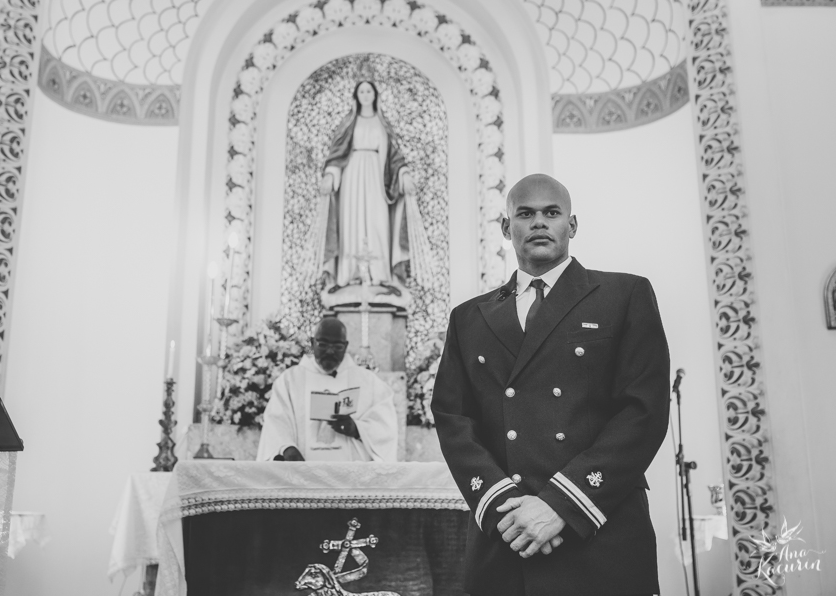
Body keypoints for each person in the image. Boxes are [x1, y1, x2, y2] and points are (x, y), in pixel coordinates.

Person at [432, 174, 671, 596]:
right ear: (508, 229)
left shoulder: (623, 294)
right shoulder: (468, 317)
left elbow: (643, 410)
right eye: (525, 214)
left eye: (551, 213)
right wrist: (502, 504)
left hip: (600, 527)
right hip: (508, 534)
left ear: (572, 226)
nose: (539, 222)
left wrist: (561, 504)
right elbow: (453, 417)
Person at [319, 80, 417, 293]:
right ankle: (349, 273)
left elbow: (394, 157)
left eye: (368, 91)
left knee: (377, 221)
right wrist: (330, 175)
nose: (365, 95)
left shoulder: (383, 124)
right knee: (350, 222)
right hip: (351, 176)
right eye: (361, 91)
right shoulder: (349, 123)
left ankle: (380, 274)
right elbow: (337, 153)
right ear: (356, 95)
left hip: (376, 178)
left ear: (375, 95)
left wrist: (404, 175)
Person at [256, 317, 398, 462]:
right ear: (312, 343)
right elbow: (276, 423)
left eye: (337, 346)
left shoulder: (368, 382)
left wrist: (356, 429)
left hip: (351, 479)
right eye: (323, 344)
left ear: (346, 346)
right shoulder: (290, 380)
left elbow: (386, 427)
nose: (330, 351)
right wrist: (287, 448)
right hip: (302, 477)